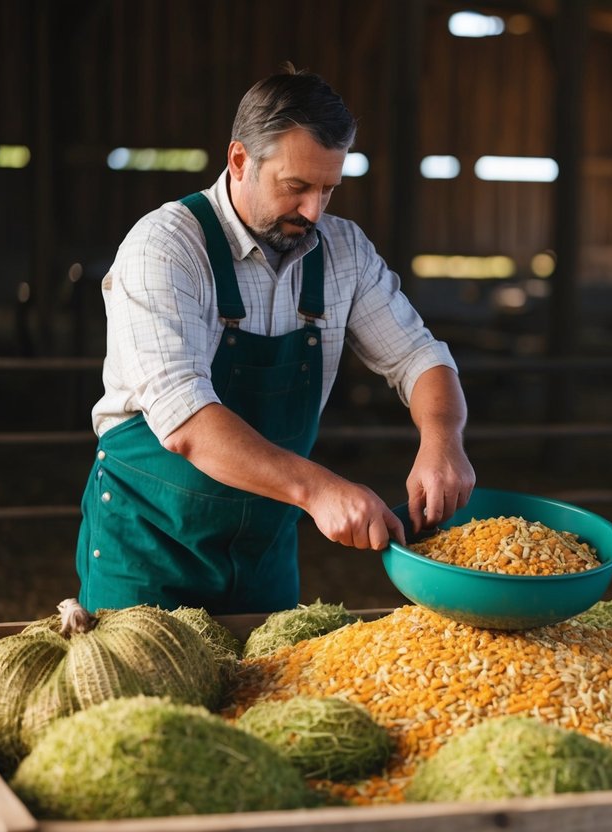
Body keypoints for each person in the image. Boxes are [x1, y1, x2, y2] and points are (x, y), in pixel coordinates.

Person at [75, 64, 475, 614]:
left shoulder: (343, 252)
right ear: (239, 160)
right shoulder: (164, 247)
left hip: (264, 553)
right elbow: (185, 417)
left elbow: (418, 356)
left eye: (328, 189)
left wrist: (442, 440)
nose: (314, 210)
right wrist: (318, 489)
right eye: (297, 187)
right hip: (148, 550)